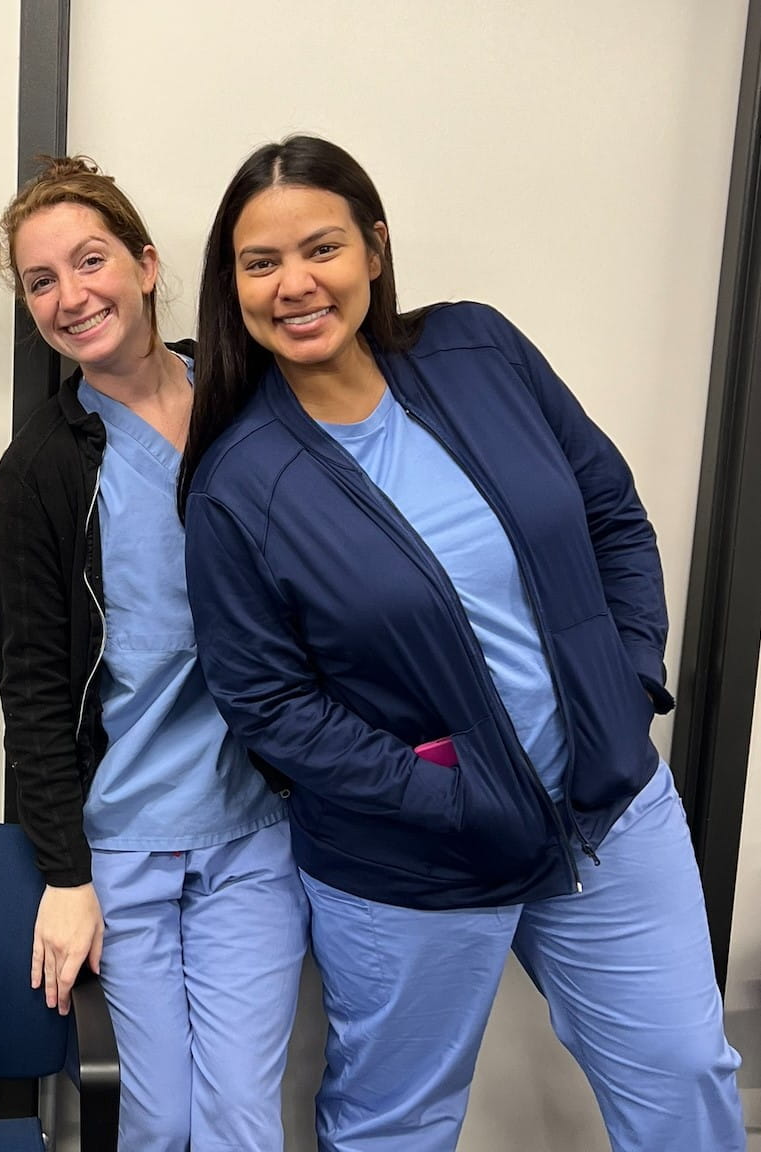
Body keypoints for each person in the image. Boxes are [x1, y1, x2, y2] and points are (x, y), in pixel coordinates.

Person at [181, 134, 744, 1152]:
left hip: (608, 812)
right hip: (415, 862)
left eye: (322, 249)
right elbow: (267, 703)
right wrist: (447, 800)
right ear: (234, 287)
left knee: (683, 1075)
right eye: (260, 264)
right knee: (397, 1125)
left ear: (375, 250)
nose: (295, 284)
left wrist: (625, 681)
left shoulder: (476, 348)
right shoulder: (239, 482)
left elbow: (610, 513)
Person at [0, 157, 306, 1151]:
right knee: (153, 1121)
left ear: (148, 264)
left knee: (242, 1121)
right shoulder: (41, 467)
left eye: (91, 261)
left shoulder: (256, 406)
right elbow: (33, 693)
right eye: (42, 281)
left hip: (256, 835)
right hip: (122, 843)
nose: (71, 295)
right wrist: (66, 875)